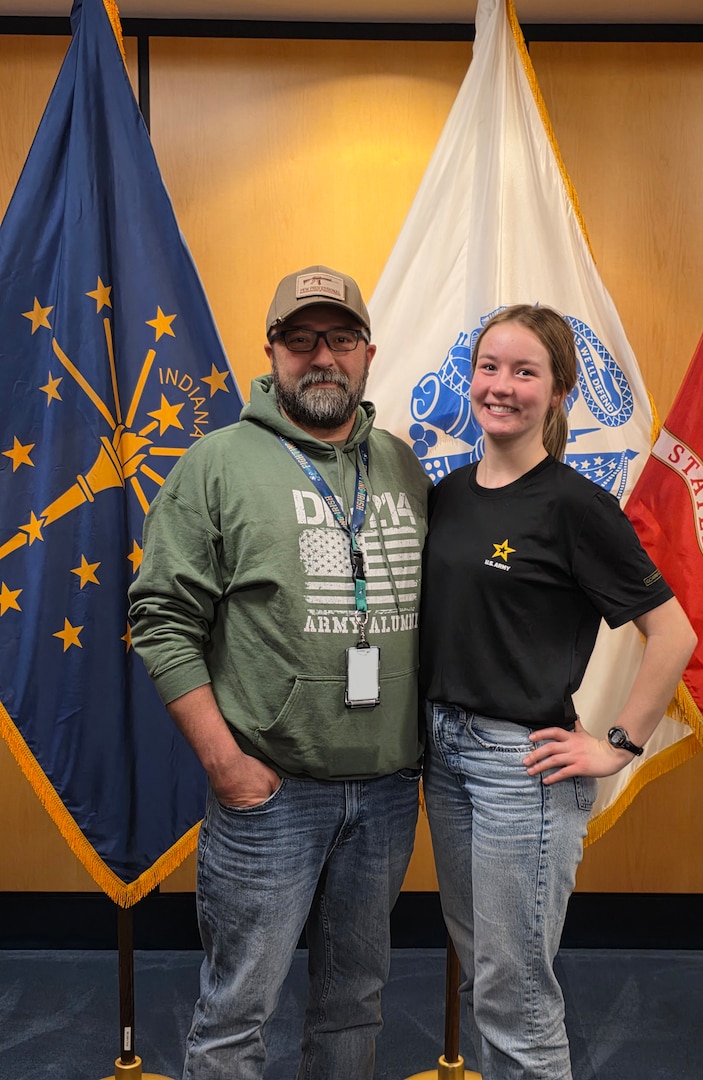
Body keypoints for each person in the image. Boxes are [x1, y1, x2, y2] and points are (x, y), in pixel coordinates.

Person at [128, 265, 431, 1080]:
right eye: (300, 340)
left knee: (354, 1003)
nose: (320, 356)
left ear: (369, 353)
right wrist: (225, 764)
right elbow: (159, 619)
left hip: (388, 791)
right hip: (270, 796)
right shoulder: (217, 463)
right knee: (236, 1014)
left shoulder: (405, 468)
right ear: (270, 354)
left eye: (338, 338)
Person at [419, 304, 697, 1080]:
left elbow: (674, 636)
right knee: (487, 981)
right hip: (444, 757)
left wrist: (618, 746)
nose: (500, 386)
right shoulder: (446, 495)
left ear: (558, 390)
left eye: (524, 371)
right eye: (489, 367)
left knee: (518, 1001)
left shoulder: (577, 506)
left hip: (524, 770)